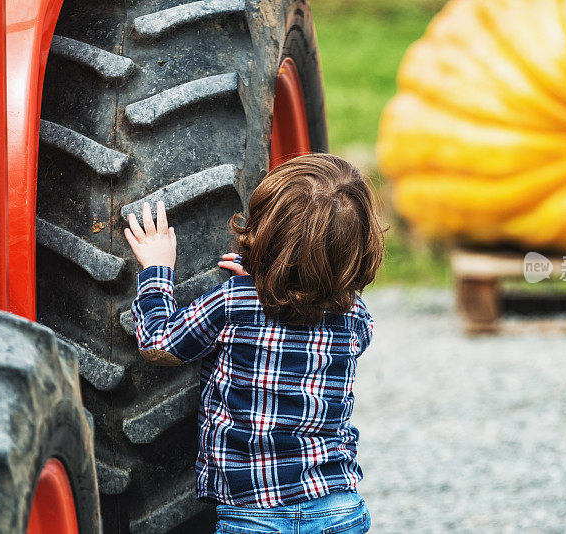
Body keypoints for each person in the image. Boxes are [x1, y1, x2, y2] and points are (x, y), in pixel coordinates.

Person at [124, 153, 383, 533]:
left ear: (265, 232)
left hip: (254, 515)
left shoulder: (234, 301)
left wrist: (156, 269)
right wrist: (289, 277)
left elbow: (160, 343)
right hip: (337, 508)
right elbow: (333, 328)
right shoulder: (355, 316)